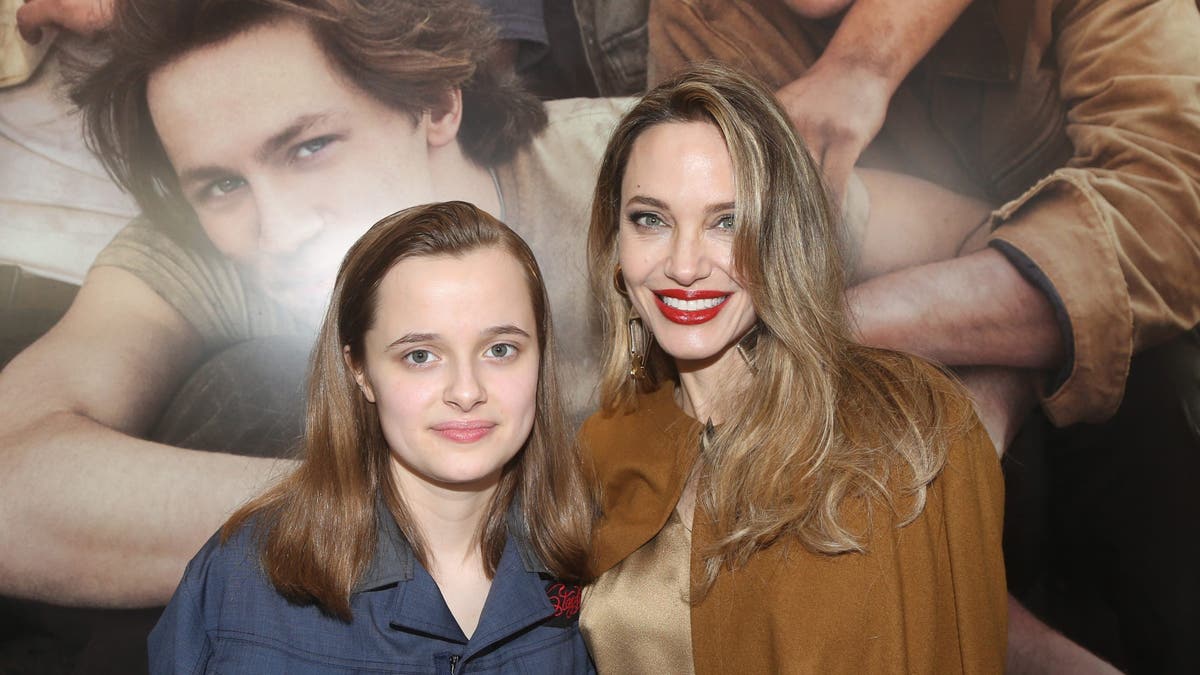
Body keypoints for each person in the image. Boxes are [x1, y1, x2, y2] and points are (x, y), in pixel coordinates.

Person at [0, 0, 628, 608]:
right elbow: (13, 477)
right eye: (222, 185)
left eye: (309, 148)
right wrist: (382, 516)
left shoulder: (633, 177)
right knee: (247, 388)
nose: (279, 229)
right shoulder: (204, 253)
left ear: (434, 102)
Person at [647, 1, 1200, 671]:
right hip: (890, 434)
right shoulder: (707, 17)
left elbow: (1175, 207)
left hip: (1127, 400)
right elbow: (738, 297)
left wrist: (863, 330)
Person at [578, 62, 1006, 673]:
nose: (684, 263)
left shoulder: (911, 422)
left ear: (783, 234)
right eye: (651, 219)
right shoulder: (599, 450)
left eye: (727, 221)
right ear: (615, 246)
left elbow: (967, 648)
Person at [149, 201, 595, 673]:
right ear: (359, 370)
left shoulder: (598, 568)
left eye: (500, 349)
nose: (466, 392)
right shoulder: (240, 579)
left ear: (541, 358)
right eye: (421, 355)